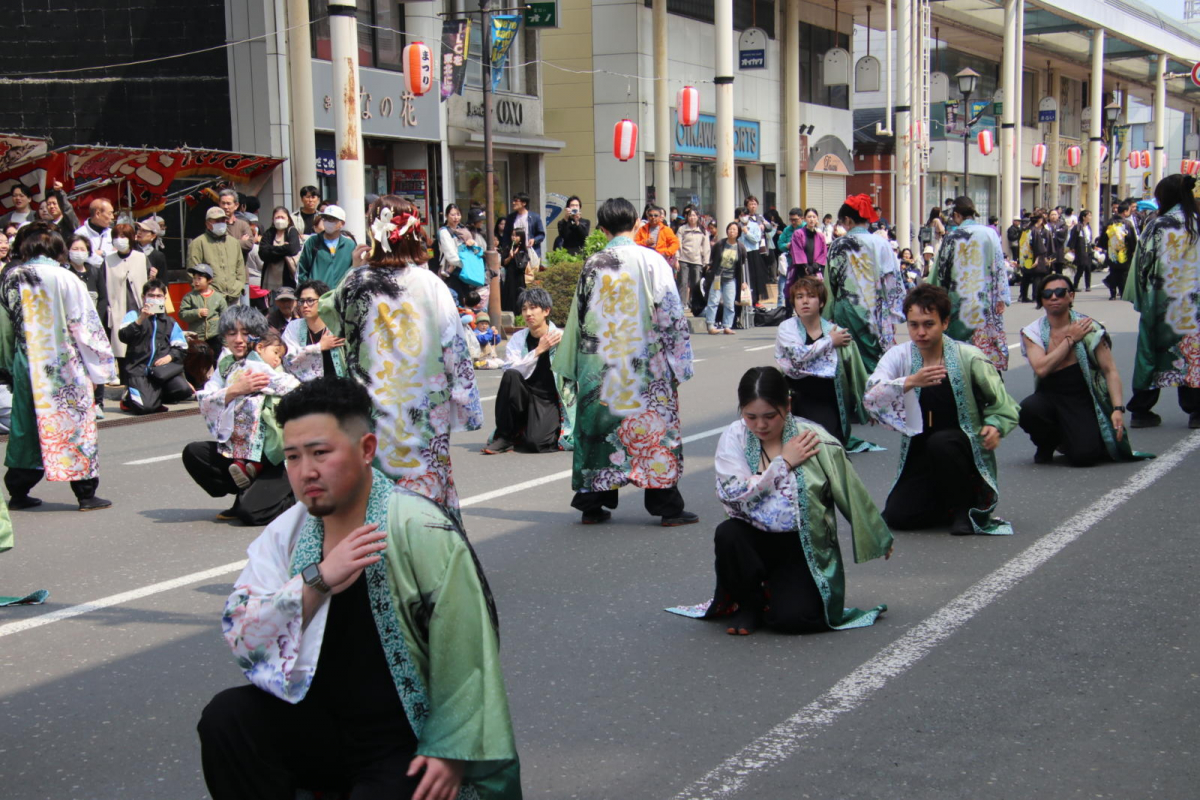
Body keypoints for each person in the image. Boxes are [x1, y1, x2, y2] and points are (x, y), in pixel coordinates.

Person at [197, 375, 521, 800]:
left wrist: (451, 750)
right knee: (227, 717)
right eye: (292, 456)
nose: (305, 471)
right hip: (319, 725)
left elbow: (468, 649)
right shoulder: (288, 533)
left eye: (320, 453)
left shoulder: (419, 528)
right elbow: (243, 631)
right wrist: (319, 579)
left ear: (366, 450)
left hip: (402, 735)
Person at [666, 366, 892, 636]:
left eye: (769, 416)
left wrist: (877, 536)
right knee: (727, 533)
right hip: (750, 541)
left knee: (794, 621)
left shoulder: (813, 439)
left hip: (799, 545)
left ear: (787, 405)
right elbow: (732, 494)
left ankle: (779, 594)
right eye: (751, 416)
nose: (760, 425)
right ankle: (749, 603)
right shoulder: (734, 437)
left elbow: (848, 487)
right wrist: (782, 463)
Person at [318, 195, 482, 514]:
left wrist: (355, 268)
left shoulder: (355, 282)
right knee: (426, 497)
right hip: (423, 410)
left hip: (369, 407)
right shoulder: (429, 284)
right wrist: (464, 403)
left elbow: (331, 316)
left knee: (372, 497)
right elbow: (454, 349)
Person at [553, 196, 697, 526]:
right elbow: (671, 313)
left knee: (600, 429)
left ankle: (593, 502)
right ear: (636, 225)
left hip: (600, 364)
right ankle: (665, 505)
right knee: (653, 430)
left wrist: (571, 364)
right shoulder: (652, 261)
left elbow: (578, 317)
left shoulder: (593, 263)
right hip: (647, 364)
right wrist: (679, 363)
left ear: (602, 229)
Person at [864, 284, 1020, 536]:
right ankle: (943, 503)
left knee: (942, 442)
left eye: (929, 324)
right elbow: (871, 394)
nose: (920, 332)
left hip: (961, 447)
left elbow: (1003, 404)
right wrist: (911, 381)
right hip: (920, 449)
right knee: (898, 516)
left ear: (945, 323)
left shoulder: (969, 357)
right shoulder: (899, 356)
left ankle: (963, 509)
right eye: (914, 325)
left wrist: (995, 425)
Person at [0, 224, 116, 511]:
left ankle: (18, 490)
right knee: (74, 426)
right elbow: (85, 326)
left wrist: (8, 365)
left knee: (26, 427)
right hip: (63, 364)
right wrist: (101, 368)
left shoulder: (10, 277)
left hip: (26, 361)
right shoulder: (66, 278)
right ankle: (85, 493)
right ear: (58, 249)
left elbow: (5, 328)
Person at [184, 306, 300, 525]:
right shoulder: (226, 366)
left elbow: (291, 387)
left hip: (276, 455)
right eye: (231, 333)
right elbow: (206, 398)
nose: (238, 340)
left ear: (257, 336)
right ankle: (247, 488)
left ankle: (296, 497)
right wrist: (235, 390)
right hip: (240, 452)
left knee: (251, 514)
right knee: (194, 453)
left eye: (245, 333)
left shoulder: (266, 360)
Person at [1018, 274, 1146, 465]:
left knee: (1084, 457)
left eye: (1060, 293)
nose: (1054, 297)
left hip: (1082, 396)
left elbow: (1110, 370)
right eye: (1047, 294)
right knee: (1028, 409)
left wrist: (1118, 409)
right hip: (1050, 394)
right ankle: (1047, 443)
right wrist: (1070, 339)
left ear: (1071, 296)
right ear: (1041, 299)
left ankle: (1080, 437)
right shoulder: (1032, 331)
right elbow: (1042, 369)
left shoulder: (1090, 328)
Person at [1124, 174, 1200, 429]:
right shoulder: (1197, 223)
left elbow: (1143, 262)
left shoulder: (1159, 225)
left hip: (1161, 303)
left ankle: (1141, 409)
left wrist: (1143, 296)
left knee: (1151, 352)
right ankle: (1196, 411)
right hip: (1194, 304)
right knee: (1193, 355)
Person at [775, 277, 874, 450]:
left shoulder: (835, 331)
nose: (805, 301)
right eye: (799, 297)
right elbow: (796, 356)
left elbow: (855, 371)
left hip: (828, 398)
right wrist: (829, 342)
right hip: (798, 396)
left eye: (811, 296)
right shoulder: (787, 328)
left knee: (829, 445)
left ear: (821, 303)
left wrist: (868, 403)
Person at [484, 287, 572, 455]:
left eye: (533, 308)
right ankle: (505, 437)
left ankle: (529, 429)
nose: (528, 313)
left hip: (548, 398)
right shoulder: (519, 338)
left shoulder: (561, 337)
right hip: (523, 394)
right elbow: (511, 369)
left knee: (536, 444)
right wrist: (538, 350)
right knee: (511, 375)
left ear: (546, 311)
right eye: (524, 309)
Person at [823, 194, 906, 373]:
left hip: (847, 311)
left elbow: (830, 284)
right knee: (880, 363)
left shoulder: (838, 245)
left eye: (841, 221)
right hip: (877, 311)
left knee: (850, 363)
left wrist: (826, 316)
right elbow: (893, 282)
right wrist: (894, 312)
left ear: (847, 220)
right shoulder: (882, 244)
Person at [928, 195, 1010, 372]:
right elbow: (999, 267)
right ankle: (989, 381)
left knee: (959, 351)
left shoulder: (952, 237)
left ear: (957, 215)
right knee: (985, 348)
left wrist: (934, 293)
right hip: (985, 301)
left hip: (959, 301)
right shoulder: (990, 233)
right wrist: (1002, 297)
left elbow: (941, 272)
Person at [118, 279, 193, 414]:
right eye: (151, 296)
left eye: (159, 296)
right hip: (138, 370)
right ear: (143, 297)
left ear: (164, 299)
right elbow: (123, 336)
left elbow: (181, 348)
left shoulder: (169, 321)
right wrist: (141, 319)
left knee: (183, 390)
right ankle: (128, 399)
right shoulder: (133, 315)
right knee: (145, 408)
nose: (155, 299)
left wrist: (170, 357)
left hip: (161, 371)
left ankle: (152, 397)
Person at [104, 222, 151, 379]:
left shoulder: (141, 258)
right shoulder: (108, 260)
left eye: (123, 236)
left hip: (139, 308)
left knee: (141, 347)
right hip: (118, 311)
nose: (119, 240)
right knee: (121, 348)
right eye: (116, 237)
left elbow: (151, 283)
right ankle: (125, 382)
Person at [283, 280, 346, 381]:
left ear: (323, 301)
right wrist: (319, 347)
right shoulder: (294, 326)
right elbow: (287, 359)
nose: (305, 305)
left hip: (338, 387)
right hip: (306, 390)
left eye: (310, 300)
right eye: (301, 301)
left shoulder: (338, 325)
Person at [189, 206, 247, 306]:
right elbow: (192, 272)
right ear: (207, 224)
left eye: (223, 220)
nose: (221, 223)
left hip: (233, 297)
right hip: (209, 298)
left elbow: (240, 268)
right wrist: (208, 290)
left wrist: (238, 287)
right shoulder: (198, 243)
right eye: (216, 221)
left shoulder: (234, 242)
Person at [704, 221, 747, 335]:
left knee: (729, 302)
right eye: (730, 229)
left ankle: (727, 325)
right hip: (717, 277)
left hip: (731, 278)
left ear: (738, 233)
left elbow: (742, 266)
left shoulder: (740, 247)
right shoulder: (720, 244)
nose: (731, 232)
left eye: (734, 230)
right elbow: (713, 258)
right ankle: (710, 325)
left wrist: (743, 281)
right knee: (713, 300)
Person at [297, 204, 356, 287]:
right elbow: (302, 271)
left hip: (340, 296)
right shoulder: (312, 242)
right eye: (325, 218)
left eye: (332, 219)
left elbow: (354, 271)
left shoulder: (350, 245)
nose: (328, 222)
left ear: (342, 223)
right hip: (317, 296)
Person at [179, 264, 229, 360]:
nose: (196, 282)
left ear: (209, 280)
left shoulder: (218, 298)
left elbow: (225, 319)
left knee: (215, 361)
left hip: (214, 337)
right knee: (197, 363)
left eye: (199, 278)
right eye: (194, 279)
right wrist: (197, 313)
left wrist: (225, 342)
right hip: (196, 338)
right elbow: (182, 314)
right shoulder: (189, 297)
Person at [257, 207, 301, 290]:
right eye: (277, 217)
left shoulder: (292, 231)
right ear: (273, 219)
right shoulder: (269, 232)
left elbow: (292, 249)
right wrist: (284, 249)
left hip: (288, 275)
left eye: (282, 217)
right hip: (270, 276)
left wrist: (272, 249)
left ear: (288, 219)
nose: (279, 220)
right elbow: (263, 253)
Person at [786, 208, 827, 295]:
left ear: (817, 218)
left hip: (816, 270)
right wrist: (806, 267)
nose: (811, 219)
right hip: (802, 270)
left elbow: (823, 252)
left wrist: (815, 266)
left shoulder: (821, 236)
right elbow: (797, 251)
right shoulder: (798, 233)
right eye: (809, 217)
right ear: (804, 218)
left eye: (814, 217)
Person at [1101, 202, 1138, 301]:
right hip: (1124, 253)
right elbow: (1131, 239)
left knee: (1113, 272)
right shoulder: (1127, 224)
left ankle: (1112, 293)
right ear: (1125, 211)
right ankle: (1122, 293)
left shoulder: (1109, 223)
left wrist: (1106, 248)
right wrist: (1133, 250)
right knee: (1123, 274)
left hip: (1112, 252)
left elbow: (1103, 238)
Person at [676, 207, 708, 315]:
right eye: (690, 215)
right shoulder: (682, 229)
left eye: (694, 215)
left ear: (698, 217)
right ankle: (682, 304)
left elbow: (706, 247)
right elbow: (678, 244)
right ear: (687, 217)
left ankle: (695, 305)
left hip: (697, 260)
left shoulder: (703, 230)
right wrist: (677, 258)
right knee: (682, 282)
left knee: (696, 284)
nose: (692, 218)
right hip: (683, 259)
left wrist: (706, 262)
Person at [500, 191, 545, 256]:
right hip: (515, 253)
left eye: (516, 201)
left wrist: (534, 240)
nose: (513, 203)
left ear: (524, 203)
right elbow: (506, 235)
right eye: (513, 201)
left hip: (531, 252)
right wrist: (507, 249)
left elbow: (541, 235)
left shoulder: (535, 217)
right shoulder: (510, 218)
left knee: (532, 266)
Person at [1019, 213, 1051, 303]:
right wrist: (1039, 258)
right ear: (1040, 220)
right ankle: (1035, 296)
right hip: (1034, 256)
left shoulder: (1026, 229)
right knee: (1037, 276)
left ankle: (1023, 295)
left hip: (1025, 256)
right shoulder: (1035, 231)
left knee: (1026, 276)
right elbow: (1038, 246)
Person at [216, 188, 255, 255]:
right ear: (219, 204)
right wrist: (239, 242)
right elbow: (216, 246)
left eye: (228, 204)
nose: (225, 207)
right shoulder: (215, 224)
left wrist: (227, 244)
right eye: (223, 203)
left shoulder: (243, 224)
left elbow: (249, 244)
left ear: (236, 205)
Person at [500, 228, 529, 313]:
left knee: (519, 294)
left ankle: (519, 313)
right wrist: (510, 257)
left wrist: (516, 256)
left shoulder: (523, 250)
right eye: (512, 235)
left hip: (519, 276)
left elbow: (522, 265)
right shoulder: (508, 247)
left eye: (516, 235)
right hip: (510, 275)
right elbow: (504, 263)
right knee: (509, 295)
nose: (514, 237)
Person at [1068, 209, 1096, 292]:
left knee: (1088, 267)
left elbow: (1090, 238)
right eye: (1089, 216)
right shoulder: (1078, 226)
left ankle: (1088, 285)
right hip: (1081, 248)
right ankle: (1075, 285)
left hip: (1088, 248)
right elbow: (1073, 238)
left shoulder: (1088, 226)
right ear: (1084, 217)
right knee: (1081, 267)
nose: (1090, 217)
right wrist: (1072, 248)